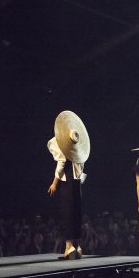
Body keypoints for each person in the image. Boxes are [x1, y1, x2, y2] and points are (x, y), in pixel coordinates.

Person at [47, 111, 89, 260]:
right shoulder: (76, 148)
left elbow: (61, 162)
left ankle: (69, 246)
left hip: (68, 180)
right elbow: (81, 165)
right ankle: (76, 246)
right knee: (76, 211)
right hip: (77, 181)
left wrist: (54, 182)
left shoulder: (58, 142)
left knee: (68, 211)